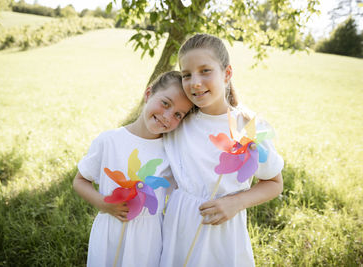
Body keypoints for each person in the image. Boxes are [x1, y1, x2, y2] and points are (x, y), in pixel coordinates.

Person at [160, 34, 284, 267]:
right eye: (186, 75)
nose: (195, 82)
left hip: (223, 229)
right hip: (180, 226)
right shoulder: (179, 122)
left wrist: (236, 202)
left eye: (205, 70)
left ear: (227, 74)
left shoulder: (248, 126)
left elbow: (274, 183)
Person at [73, 71, 193, 267]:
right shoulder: (109, 140)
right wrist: (102, 203)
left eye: (178, 114)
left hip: (148, 236)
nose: (167, 116)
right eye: (165, 103)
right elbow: (80, 180)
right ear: (148, 94)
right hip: (110, 226)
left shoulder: (171, 152)